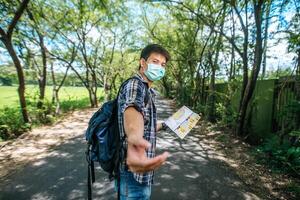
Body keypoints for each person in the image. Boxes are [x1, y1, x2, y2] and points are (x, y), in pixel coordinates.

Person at [116, 44, 171, 199]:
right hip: (132, 172)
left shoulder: (148, 90)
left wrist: (167, 124)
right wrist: (135, 138)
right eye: (155, 61)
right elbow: (133, 110)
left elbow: (145, 123)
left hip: (139, 169)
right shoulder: (135, 84)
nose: (159, 67)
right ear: (142, 62)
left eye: (163, 64)